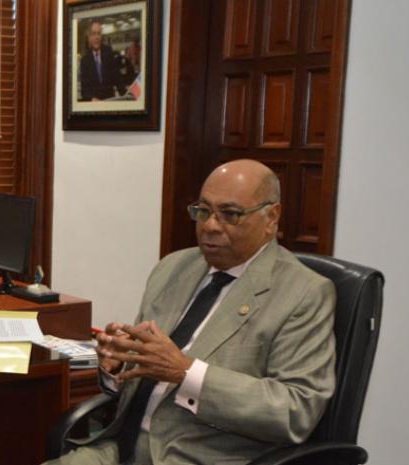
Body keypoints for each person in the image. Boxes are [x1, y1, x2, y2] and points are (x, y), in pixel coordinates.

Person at [47, 160, 336, 465]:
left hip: (201, 456)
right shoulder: (174, 268)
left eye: (230, 214)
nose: (210, 225)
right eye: (203, 211)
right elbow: (141, 373)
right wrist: (118, 367)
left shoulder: (304, 293)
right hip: (119, 447)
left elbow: (295, 412)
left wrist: (185, 372)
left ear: (271, 217)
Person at [79, 20, 126, 101]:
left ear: (101, 36)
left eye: (99, 33)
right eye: (94, 34)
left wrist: (126, 96)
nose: (97, 37)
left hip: (109, 102)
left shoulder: (109, 52)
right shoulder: (85, 60)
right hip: (94, 106)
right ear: (89, 37)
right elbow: (84, 90)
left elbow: (118, 79)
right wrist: (92, 98)